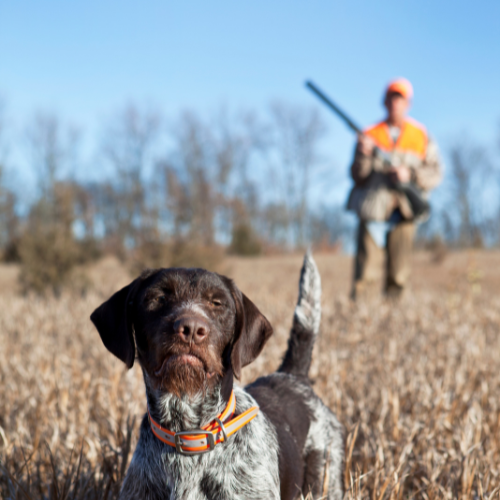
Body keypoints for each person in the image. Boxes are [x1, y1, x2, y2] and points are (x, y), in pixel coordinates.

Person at [347, 78, 442, 299]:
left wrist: (410, 175)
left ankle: (393, 326)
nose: (395, 103)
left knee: (399, 277)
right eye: (391, 98)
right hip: (373, 209)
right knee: (364, 278)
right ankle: (360, 322)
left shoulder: (420, 135)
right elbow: (357, 176)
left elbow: (436, 172)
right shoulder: (369, 134)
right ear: (385, 102)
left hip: (405, 210)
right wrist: (363, 154)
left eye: (400, 99)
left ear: (408, 103)